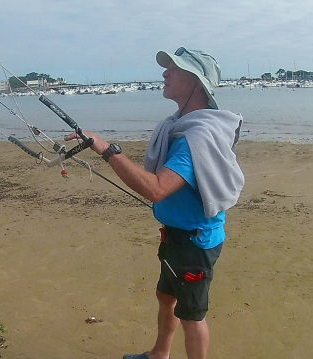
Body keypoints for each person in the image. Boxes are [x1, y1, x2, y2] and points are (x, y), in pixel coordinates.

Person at [65, 47, 244, 359]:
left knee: (192, 315)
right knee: (166, 295)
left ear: (197, 83)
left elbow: (158, 188)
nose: (165, 73)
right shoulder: (181, 127)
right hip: (176, 235)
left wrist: (106, 149)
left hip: (194, 243)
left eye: (174, 69)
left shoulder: (196, 138)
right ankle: (160, 354)